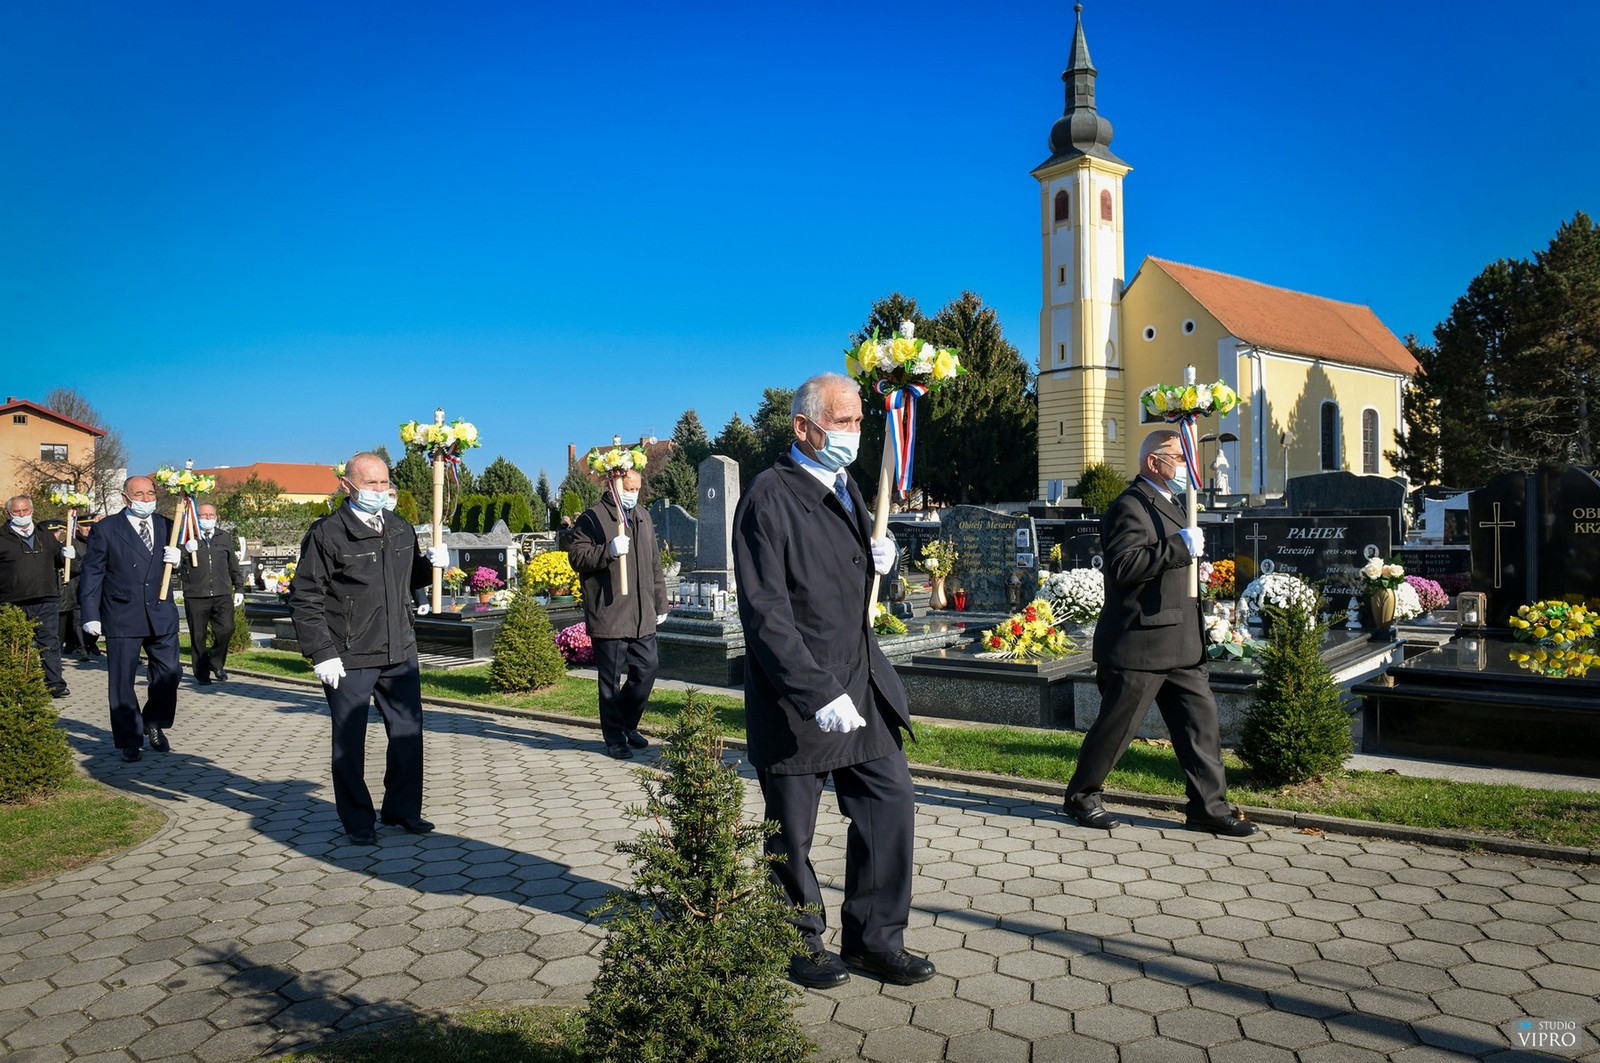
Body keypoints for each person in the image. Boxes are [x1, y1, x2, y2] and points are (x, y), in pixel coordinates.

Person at [732, 372, 933, 990]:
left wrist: (888, 565)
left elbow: (856, 588)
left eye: (857, 422)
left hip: (863, 684)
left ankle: (875, 938)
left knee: (888, 803)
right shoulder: (770, 496)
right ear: (804, 426)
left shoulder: (849, 485)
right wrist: (814, 691)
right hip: (802, 697)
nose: (853, 433)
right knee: (791, 830)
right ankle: (795, 941)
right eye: (842, 422)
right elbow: (766, 613)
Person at [1061, 429, 1258, 837]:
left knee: (1201, 728)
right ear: (1154, 462)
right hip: (1141, 643)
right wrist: (1179, 548)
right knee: (1117, 729)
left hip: (1182, 641)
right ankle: (1082, 797)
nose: (1187, 466)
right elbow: (1124, 568)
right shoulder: (1129, 506)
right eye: (1179, 458)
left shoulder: (1176, 504)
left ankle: (1208, 808)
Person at [288, 452, 448, 846]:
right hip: (349, 653)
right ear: (348, 486)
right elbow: (305, 596)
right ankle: (358, 819)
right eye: (371, 484)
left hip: (399, 649)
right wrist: (320, 651)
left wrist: (433, 565)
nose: (380, 491)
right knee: (350, 739)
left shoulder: (398, 527)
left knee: (409, 731)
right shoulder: (327, 533)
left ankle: (402, 810)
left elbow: (410, 577)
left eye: (384, 483)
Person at [78, 477, 187, 762]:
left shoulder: (168, 525)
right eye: (139, 493)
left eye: (151, 493)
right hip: (122, 614)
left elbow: (182, 561)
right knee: (122, 681)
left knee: (170, 673)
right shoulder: (106, 529)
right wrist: (90, 614)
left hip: (161, 612)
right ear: (125, 497)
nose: (146, 498)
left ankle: (153, 722)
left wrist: (181, 559)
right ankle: (129, 738)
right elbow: (93, 573)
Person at [566, 466, 668, 759]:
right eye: (629, 489)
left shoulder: (643, 517)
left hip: (642, 613)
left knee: (647, 669)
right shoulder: (592, 517)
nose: (634, 495)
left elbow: (654, 564)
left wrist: (660, 603)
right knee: (609, 681)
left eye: (637, 489)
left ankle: (626, 723)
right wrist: (608, 550)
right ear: (614, 486)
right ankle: (614, 738)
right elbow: (577, 557)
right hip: (610, 612)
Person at [0, 496, 73, 697]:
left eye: (25, 511)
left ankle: (54, 684)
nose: (22, 515)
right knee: (15, 643)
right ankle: (17, 682)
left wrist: (65, 555)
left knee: (49, 642)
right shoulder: (2, 536)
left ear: (32, 511)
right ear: (9, 513)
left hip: (45, 597)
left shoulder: (45, 535)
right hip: (13, 600)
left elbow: (59, 561)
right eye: (17, 512)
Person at [178, 502, 248, 685]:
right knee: (198, 636)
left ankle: (216, 663)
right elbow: (173, 560)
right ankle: (201, 673)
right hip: (196, 594)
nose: (207, 519)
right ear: (196, 517)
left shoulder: (224, 537)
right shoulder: (187, 536)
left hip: (221, 593)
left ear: (216, 518)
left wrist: (239, 588)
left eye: (211, 515)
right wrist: (185, 550)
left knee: (226, 628)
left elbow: (233, 564)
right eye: (203, 515)